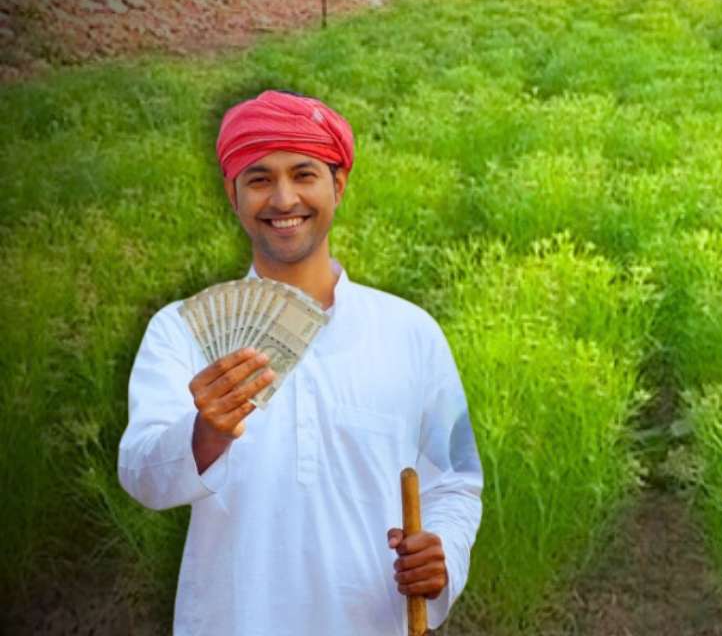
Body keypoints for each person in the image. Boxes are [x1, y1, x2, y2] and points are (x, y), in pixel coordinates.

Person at [117, 89, 483, 635]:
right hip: (233, 620)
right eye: (259, 179)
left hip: (372, 621)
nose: (283, 199)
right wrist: (206, 433)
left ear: (338, 185)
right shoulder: (183, 330)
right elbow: (142, 475)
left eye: (304, 174)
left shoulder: (410, 332)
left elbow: (454, 482)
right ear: (232, 193)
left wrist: (442, 557)